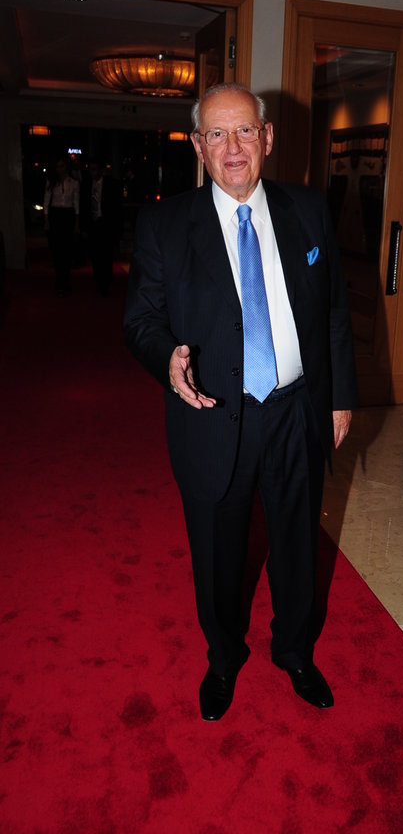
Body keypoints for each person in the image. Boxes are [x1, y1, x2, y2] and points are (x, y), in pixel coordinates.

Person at [123, 83, 359, 721]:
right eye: (217, 134)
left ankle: (296, 652)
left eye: (246, 130)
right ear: (198, 145)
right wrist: (166, 360)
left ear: (268, 137)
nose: (233, 147)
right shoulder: (165, 224)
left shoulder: (308, 210)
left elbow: (333, 312)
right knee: (218, 553)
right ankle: (223, 659)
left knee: (297, 545)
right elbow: (140, 320)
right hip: (211, 414)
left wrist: (339, 398)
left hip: (296, 410)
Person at [80, 159, 122, 295]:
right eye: (91, 169)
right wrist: (84, 227)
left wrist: (116, 230)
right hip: (93, 225)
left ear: (101, 170)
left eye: (95, 169)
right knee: (95, 255)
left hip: (106, 224)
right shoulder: (86, 184)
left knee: (106, 256)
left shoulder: (111, 185)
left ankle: (105, 283)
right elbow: (83, 207)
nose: (92, 172)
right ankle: (99, 281)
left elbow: (116, 209)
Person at [43, 157, 80, 295]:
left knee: (67, 251)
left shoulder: (74, 183)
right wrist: (46, 220)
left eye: (62, 166)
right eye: (58, 166)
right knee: (57, 251)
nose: (60, 169)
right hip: (56, 215)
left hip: (68, 215)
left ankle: (66, 281)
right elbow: (46, 201)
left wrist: (76, 223)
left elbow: (76, 203)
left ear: (66, 167)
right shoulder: (51, 181)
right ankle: (59, 281)